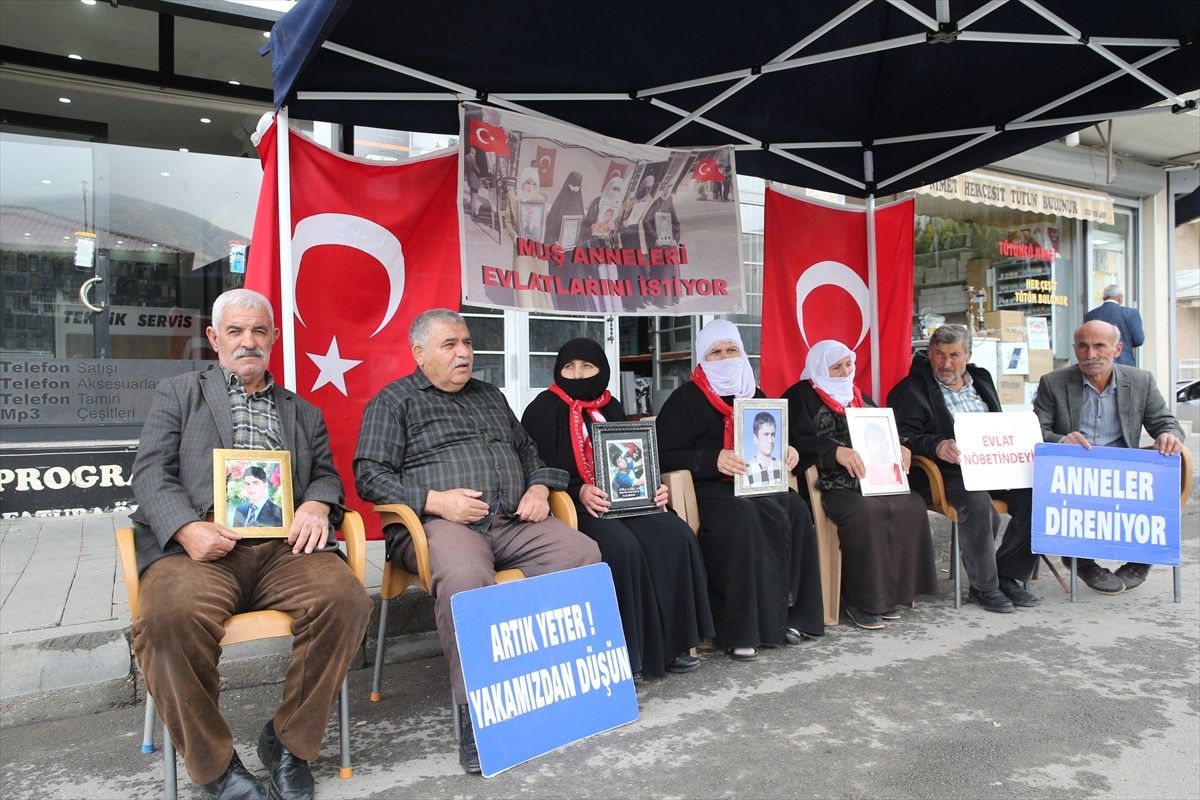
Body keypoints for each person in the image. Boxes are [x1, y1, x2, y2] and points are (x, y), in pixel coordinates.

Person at [130, 288, 372, 800]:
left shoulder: (302, 411)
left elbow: (327, 475)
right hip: (202, 544)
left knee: (345, 599)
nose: (248, 341)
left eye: (259, 331)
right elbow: (150, 472)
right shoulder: (180, 394)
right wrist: (184, 528)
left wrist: (318, 504)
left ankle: (289, 744)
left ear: (274, 338)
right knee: (168, 619)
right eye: (236, 331)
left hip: (285, 547)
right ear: (215, 338)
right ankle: (214, 765)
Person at [354, 309, 600, 774]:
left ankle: (557, 687)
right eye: (450, 344)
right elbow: (369, 477)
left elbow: (530, 453)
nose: (464, 352)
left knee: (582, 554)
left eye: (467, 342)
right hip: (440, 527)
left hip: (510, 519)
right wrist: (435, 501)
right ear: (420, 354)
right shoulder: (394, 401)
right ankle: (481, 712)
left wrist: (538, 487)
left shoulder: (491, 396)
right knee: (467, 577)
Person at [521, 338, 714, 682]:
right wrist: (578, 491)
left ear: (603, 370)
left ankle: (671, 645)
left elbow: (631, 455)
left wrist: (651, 484)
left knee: (675, 535)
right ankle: (629, 653)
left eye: (587, 367)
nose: (577, 375)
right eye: (569, 367)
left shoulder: (611, 406)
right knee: (622, 547)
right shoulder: (541, 409)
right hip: (576, 506)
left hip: (627, 499)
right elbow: (535, 468)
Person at [656, 320, 825, 661]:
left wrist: (788, 450)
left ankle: (793, 616)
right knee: (743, 515)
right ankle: (740, 629)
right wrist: (710, 459)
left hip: (756, 482)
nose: (725, 357)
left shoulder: (755, 394)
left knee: (796, 507)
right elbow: (661, 451)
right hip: (708, 488)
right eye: (715, 352)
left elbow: (773, 438)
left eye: (731, 350)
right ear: (702, 360)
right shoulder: (685, 399)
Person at [785, 340, 939, 630]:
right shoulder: (801, 396)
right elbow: (794, 439)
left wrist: (901, 445)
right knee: (866, 513)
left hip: (869, 478)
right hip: (829, 481)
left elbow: (881, 428)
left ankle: (892, 594)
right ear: (820, 369)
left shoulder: (857, 395)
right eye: (836, 367)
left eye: (849, 364)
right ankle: (863, 601)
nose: (845, 372)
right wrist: (833, 452)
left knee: (912, 503)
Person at [887, 324, 1037, 614]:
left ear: (967, 355)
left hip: (992, 463)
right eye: (939, 354)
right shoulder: (911, 389)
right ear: (929, 353)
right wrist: (937, 445)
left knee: (1037, 498)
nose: (946, 363)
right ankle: (984, 587)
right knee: (978, 504)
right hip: (946, 471)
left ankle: (1006, 573)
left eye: (954, 355)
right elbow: (904, 434)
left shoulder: (981, 379)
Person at [1034, 320, 1185, 592]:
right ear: (1075, 349)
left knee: (1162, 481)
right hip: (1076, 469)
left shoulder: (1140, 381)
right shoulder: (1053, 382)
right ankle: (1080, 560)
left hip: (1123, 468)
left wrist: (1169, 435)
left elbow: (1165, 422)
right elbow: (1036, 429)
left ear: (1117, 349)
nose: (1090, 354)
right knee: (1072, 494)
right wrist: (1061, 439)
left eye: (1099, 346)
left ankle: (1141, 560)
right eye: (1083, 346)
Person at [1083, 284, 1144, 366]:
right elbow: (1138, 340)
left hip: (1097, 363)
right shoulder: (1131, 313)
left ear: (1103, 299)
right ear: (1119, 299)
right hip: (1124, 363)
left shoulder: (1090, 315)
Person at [544, 170, 585, 247]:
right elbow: (551, 226)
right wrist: (553, 242)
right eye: (573, 185)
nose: (575, 189)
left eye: (578, 186)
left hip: (574, 245)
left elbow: (583, 225)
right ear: (568, 184)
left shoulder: (579, 203)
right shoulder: (560, 203)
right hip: (558, 244)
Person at [744, 412, 784, 487]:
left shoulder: (781, 465)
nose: (770, 440)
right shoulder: (747, 470)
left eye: (773, 435)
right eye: (765, 434)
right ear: (755, 438)